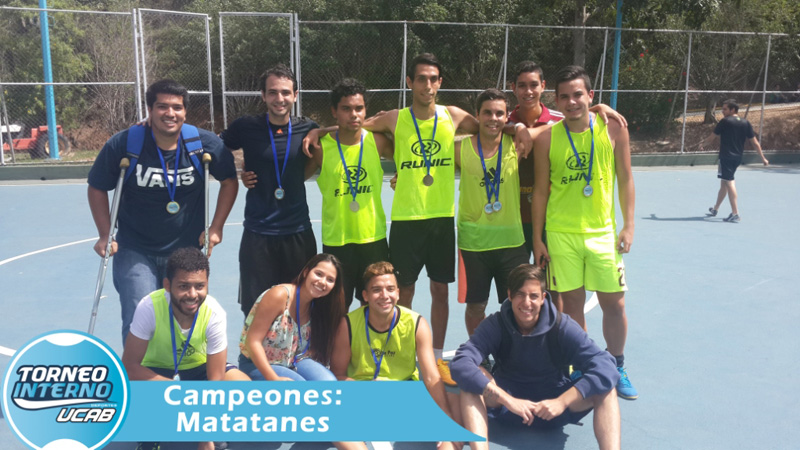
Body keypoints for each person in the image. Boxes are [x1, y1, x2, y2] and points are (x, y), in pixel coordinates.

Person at [306, 53, 533, 382]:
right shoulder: (394, 119)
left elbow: (492, 125)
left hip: (441, 220)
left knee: (440, 291)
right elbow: (353, 125)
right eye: (421, 79)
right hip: (406, 221)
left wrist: (520, 126)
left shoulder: (453, 116)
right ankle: (403, 356)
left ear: (440, 82)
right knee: (404, 292)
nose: (427, 85)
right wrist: (318, 132)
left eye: (433, 79)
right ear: (409, 82)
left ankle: (437, 358)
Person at [88, 79, 238, 343]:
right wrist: (104, 234)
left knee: (187, 320)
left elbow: (229, 181)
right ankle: (140, 370)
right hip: (135, 249)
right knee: (139, 317)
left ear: (185, 112)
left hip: (187, 251)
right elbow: (97, 187)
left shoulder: (203, 144)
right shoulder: (125, 144)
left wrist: (216, 228)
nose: (170, 113)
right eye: (162, 107)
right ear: (150, 110)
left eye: (177, 107)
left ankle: (188, 368)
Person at [532, 65, 638, 399]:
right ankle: (582, 363)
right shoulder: (547, 138)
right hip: (560, 234)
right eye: (564, 96)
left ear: (590, 96)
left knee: (615, 304)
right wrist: (537, 238)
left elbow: (626, 178)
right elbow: (540, 192)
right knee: (572, 305)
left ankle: (616, 364)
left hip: (602, 233)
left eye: (578, 94)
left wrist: (629, 225)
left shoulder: (613, 128)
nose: (572, 102)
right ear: (556, 100)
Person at [450, 264, 621, 450]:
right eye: (520, 294)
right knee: (471, 382)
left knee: (606, 389)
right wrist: (508, 400)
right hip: (508, 407)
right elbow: (461, 363)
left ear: (543, 298)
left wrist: (561, 401)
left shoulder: (562, 326)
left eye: (533, 296)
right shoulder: (496, 324)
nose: (527, 303)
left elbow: (606, 366)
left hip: (554, 409)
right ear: (509, 295)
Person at [122, 247, 249, 450]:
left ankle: (219, 433)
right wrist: (180, 392)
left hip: (199, 370)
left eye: (200, 286)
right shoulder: (149, 307)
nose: (192, 294)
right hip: (157, 372)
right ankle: (152, 436)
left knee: (244, 389)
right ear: (167, 285)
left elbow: (216, 380)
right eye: (183, 286)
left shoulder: (214, 312)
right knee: (139, 418)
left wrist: (205, 434)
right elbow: (129, 367)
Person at [221, 64, 319, 317]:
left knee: (300, 305)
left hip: (297, 231)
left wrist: (318, 131)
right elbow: (217, 147)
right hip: (258, 232)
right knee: (256, 307)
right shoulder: (246, 127)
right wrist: (237, 173)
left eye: (285, 92)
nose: (279, 98)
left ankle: (297, 345)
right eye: (273, 92)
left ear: (295, 95)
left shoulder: (308, 128)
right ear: (263, 95)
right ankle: (255, 345)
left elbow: (347, 132)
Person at [329, 261, 460, 450]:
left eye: (390, 289)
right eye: (376, 290)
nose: (385, 295)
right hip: (362, 396)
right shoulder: (347, 325)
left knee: (456, 403)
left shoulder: (417, 324)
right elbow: (337, 376)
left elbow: (431, 377)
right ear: (365, 296)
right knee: (334, 419)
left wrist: (444, 416)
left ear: (398, 293)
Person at [307, 79, 393, 309]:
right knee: (337, 308)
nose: (353, 114)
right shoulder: (320, 148)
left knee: (374, 305)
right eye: (346, 109)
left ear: (365, 111)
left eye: (359, 108)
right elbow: (294, 178)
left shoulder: (378, 142)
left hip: (372, 239)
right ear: (334, 112)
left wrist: (401, 176)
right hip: (338, 240)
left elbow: (408, 160)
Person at [455, 89, 528, 335]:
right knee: (476, 306)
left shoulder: (517, 145)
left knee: (518, 304)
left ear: (507, 117)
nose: (493, 118)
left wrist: (519, 127)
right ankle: (480, 353)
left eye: (499, 113)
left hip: (511, 242)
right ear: (477, 115)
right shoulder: (460, 149)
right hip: (474, 244)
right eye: (487, 113)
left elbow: (558, 128)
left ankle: (513, 352)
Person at [238, 253, 346, 381]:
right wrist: (274, 379)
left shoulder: (319, 306)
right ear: (306, 272)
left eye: (330, 280)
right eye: (319, 274)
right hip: (257, 363)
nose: (323, 282)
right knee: (298, 387)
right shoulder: (279, 296)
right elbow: (252, 342)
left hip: (294, 360)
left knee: (328, 382)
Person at [700, 99, 769, 223]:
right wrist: (763, 158)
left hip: (726, 157)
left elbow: (711, 138)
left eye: (725, 109)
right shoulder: (745, 123)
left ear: (733, 110)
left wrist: (702, 144)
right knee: (724, 183)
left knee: (729, 183)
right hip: (737, 158)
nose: (722, 111)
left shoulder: (725, 121)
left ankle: (735, 213)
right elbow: (755, 142)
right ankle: (715, 209)